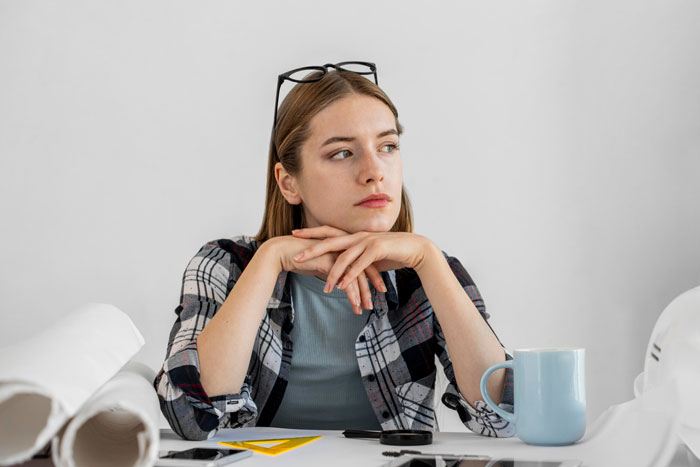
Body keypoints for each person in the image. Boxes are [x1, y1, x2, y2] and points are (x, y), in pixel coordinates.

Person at [153, 61, 516, 441]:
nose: (375, 171)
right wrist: (271, 258)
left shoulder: (430, 274)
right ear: (289, 182)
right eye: (343, 153)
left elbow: (503, 416)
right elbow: (191, 415)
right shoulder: (224, 266)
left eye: (388, 146)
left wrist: (427, 257)